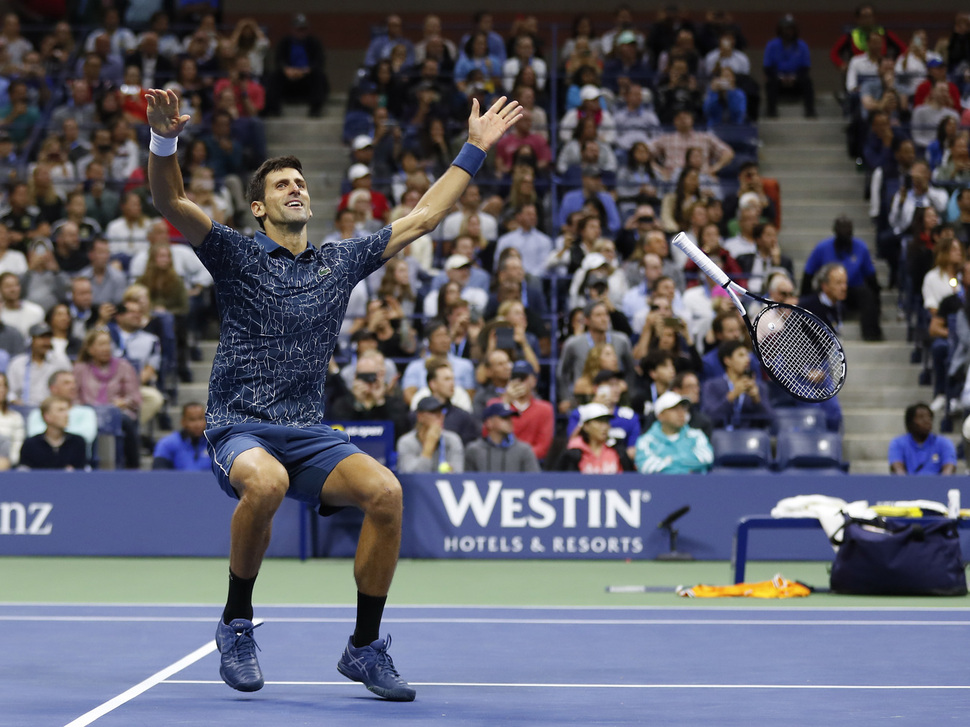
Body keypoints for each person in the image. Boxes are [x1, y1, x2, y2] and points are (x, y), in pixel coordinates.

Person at [145, 86, 520, 699]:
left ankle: (365, 647)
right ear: (259, 209)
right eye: (281, 185)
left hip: (308, 429)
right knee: (266, 484)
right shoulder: (236, 253)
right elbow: (171, 197)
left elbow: (424, 217)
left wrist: (474, 149)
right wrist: (165, 139)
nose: (296, 188)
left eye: (301, 182)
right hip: (238, 424)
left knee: (386, 494)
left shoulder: (338, 262)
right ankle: (236, 622)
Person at [701, 340, 776, 431]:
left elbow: (771, 422)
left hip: (750, 439)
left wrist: (757, 400)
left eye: (747, 355)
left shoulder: (759, 387)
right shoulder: (711, 386)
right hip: (721, 439)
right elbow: (709, 419)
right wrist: (731, 396)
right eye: (741, 355)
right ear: (727, 360)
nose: (748, 359)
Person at [25, 369, 98, 461]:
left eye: (74, 383)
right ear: (53, 388)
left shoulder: (87, 412)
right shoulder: (36, 413)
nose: (73, 387)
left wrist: (56, 430)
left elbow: (87, 437)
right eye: (66, 383)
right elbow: (35, 437)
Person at [634, 390, 713, 474]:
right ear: (660, 415)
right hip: (659, 486)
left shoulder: (697, 435)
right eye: (674, 409)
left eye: (683, 408)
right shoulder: (646, 441)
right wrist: (687, 469)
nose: (681, 413)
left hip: (694, 485)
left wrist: (669, 460)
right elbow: (646, 466)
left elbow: (706, 458)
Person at [555, 402, 636, 473]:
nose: (604, 427)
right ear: (586, 426)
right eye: (599, 422)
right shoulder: (573, 454)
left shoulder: (618, 451)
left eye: (606, 422)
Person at [396, 395, 464, 474]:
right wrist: (428, 447)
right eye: (433, 412)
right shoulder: (406, 442)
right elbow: (412, 477)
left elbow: (458, 475)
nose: (439, 416)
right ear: (420, 416)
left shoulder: (453, 440)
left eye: (441, 412)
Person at [465, 401, 540, 472]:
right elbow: (465, 480)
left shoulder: (524, 450)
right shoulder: (474, 450)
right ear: (489, 422)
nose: (509, 421)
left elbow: (534, 481)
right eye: (504, 418)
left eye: (510, 418)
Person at [18, 395, 88, 470]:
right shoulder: (31, 444)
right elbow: (24, 473)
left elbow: (81, 474)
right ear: (47, 416)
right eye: (60, 410)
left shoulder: (77, 442)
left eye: (67, 410)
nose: (66, 414)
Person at [888, 402, 956, 475]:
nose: (927, 421)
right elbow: (898, 471)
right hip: (907, 485)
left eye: (929, 417)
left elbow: (949, 471)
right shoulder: (898, 443)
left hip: (938, 485)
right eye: (921, 417)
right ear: (910, 423)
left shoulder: (944, 443)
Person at [152, 402, 211, 470]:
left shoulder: (216, 445)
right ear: (183, 421)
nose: (197, 425)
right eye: (192, 420)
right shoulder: (167, 444)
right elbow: (159, 474)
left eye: (201, 419)